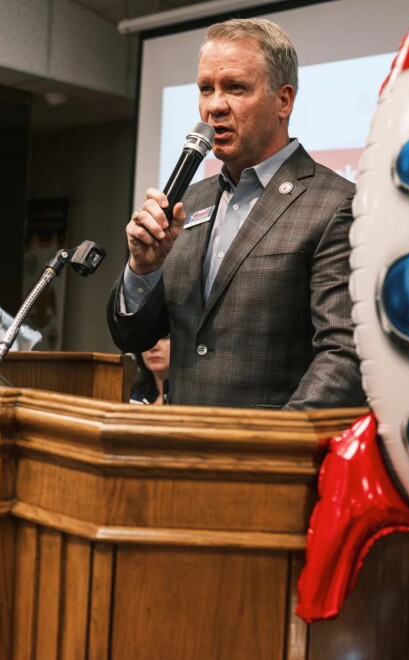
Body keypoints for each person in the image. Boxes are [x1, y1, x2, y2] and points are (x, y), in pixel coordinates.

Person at [107, 17, 365, 410]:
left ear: (283, 100)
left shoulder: (335, 203)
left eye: (235, 88)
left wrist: (271, 446)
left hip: (265, 460)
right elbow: (133, 338)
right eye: (205, 89)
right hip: (178, 446)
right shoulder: (188, 203)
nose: (213, 106)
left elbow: (343, 354)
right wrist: (143, 270)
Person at [129, 336, 170, 404]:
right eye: (146, 338)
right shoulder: (132, 397)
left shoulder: (191, 399)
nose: (153, 347)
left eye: (164, 337)